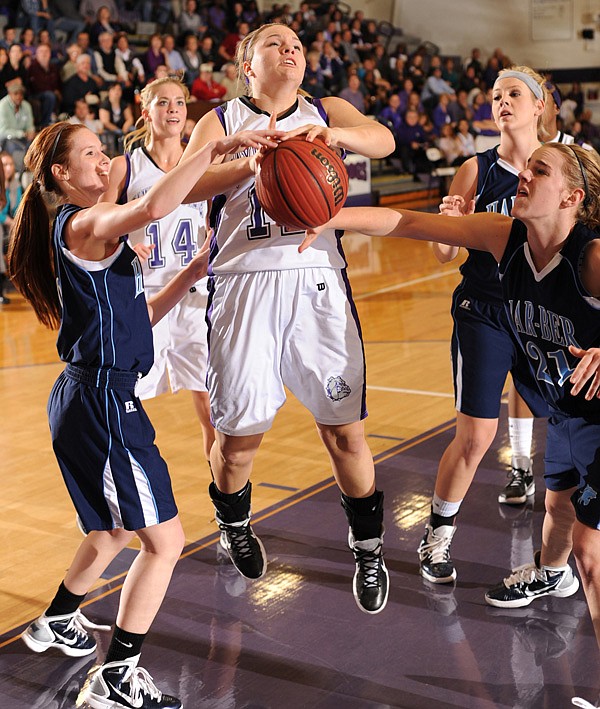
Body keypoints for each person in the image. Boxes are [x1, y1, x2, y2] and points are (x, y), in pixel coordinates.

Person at [303, 141, 600, 709]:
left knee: (591, 549)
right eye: (525, 165)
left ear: (571, 197)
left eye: (540, 170)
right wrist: (328, 214)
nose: (524, 175)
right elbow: (409, 221)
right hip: (567, 411)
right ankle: (549, 575)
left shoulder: (589, 257)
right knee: (559, 509)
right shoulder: (504, 236)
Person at [7, 120, 279, 709]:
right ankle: (117, 677)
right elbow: (156, 203)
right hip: (103, 403)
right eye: (91, 154)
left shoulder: (93, 235)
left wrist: (190, 273)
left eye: (104, 151)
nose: (104, 161)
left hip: (87, 397)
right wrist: (214, 147)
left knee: (114, 529)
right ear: (62, 175)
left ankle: (56, 619)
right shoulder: (84, 223)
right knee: (166, 542)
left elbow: (136, 317)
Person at [182, 22, 395, 615]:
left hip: (316, 281)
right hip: (243, 286)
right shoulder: (221, 122)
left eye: (298, 42)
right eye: (275, 42)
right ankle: (235, 521)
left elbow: (383, 142)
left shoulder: (323, 109)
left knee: (345, 429)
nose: (291, 48)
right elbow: (185, 186)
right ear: (247, 64)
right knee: (238, 441)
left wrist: (331, 134)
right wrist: (252, 165)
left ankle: (369, 547)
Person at [419, 67, 551, 585]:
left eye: (514, 94)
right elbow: (443, 251)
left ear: (540, 105)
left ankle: (564, 543)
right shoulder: (475, 171)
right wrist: (449, 220)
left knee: (570, 426)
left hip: (546, 315)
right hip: (484, 311)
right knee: (475, 436)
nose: (502, 102)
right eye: (496, 96)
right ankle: (437, 536)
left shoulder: (564, 166)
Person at [101, 75, 215, 467]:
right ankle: (130, 489)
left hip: (195, 299)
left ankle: (226, 498)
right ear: (144, 111)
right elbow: (97, 227)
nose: (173, 110)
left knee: (213, 409)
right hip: (143, 299)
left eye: (180, 103)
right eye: (163, 102)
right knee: (129, 404)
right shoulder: (125, 167)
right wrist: (123, 245)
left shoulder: (205, 163)